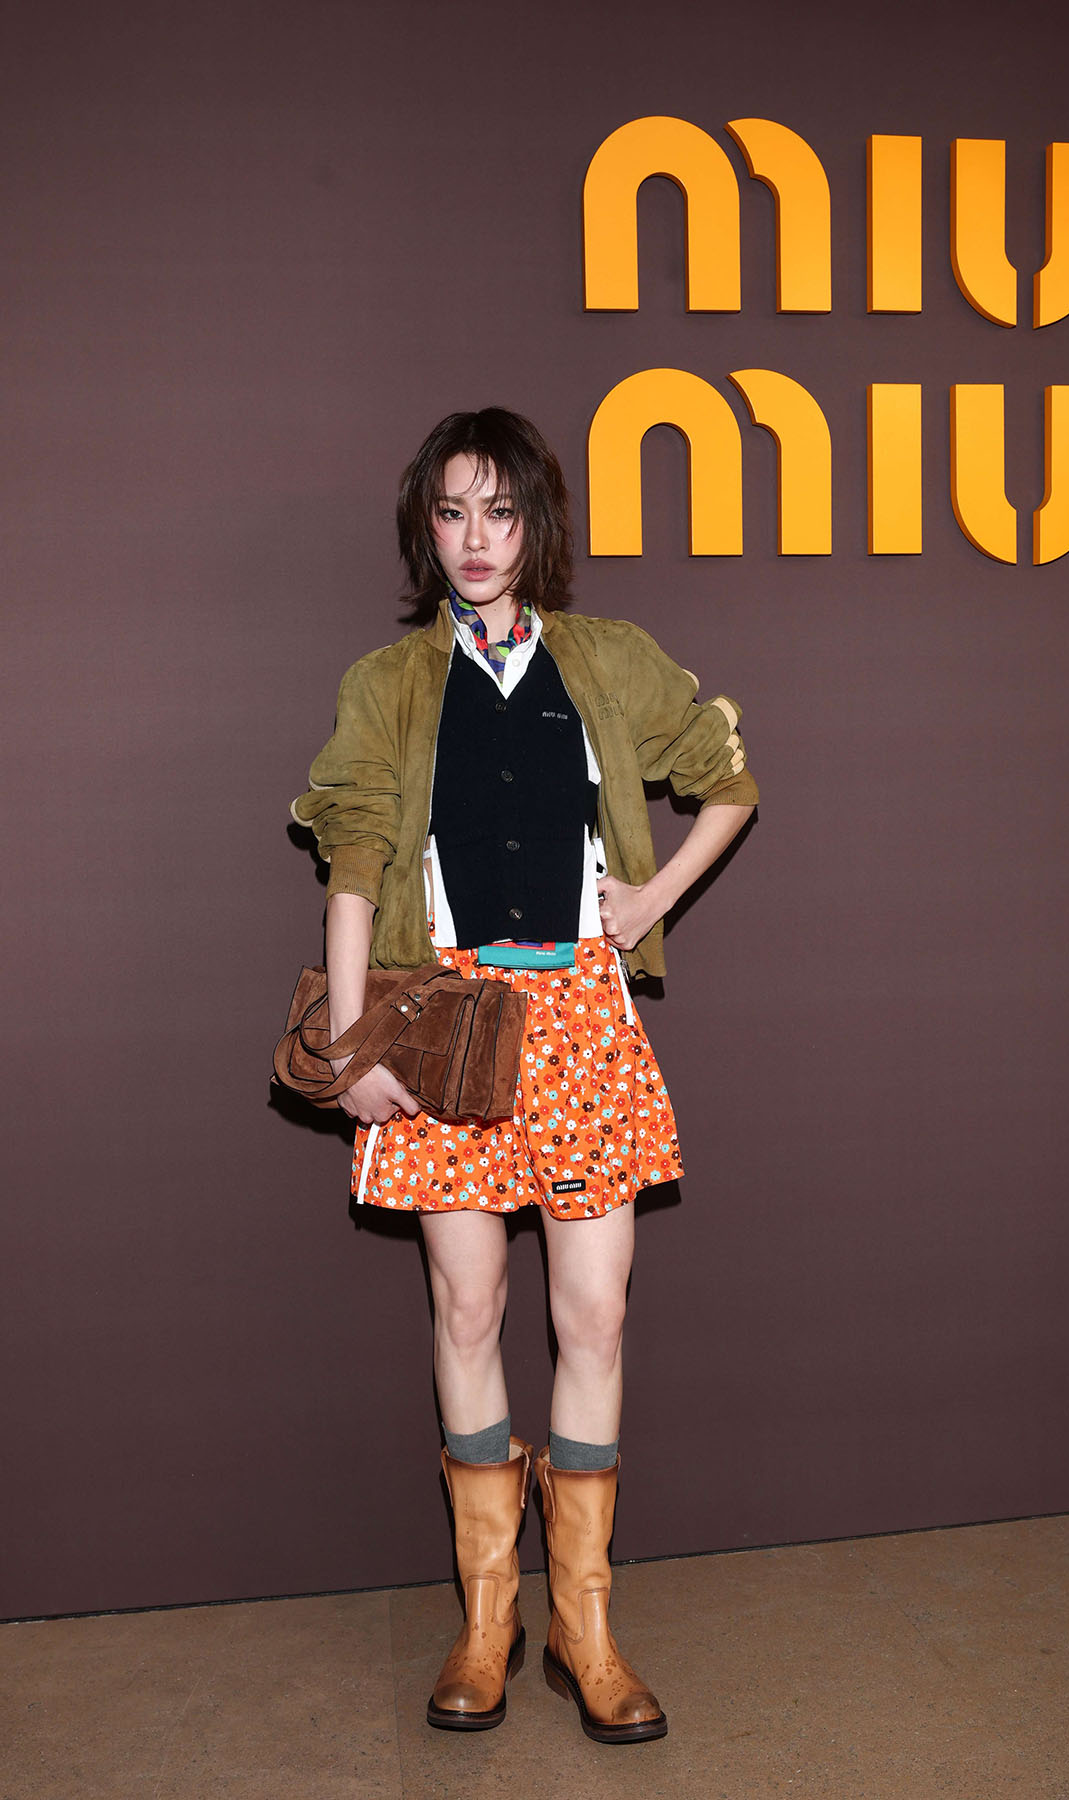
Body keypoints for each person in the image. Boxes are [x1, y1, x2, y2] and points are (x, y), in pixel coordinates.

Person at [291, 408, 757, 1744]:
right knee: (467, 1305)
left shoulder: (606, 660)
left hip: (582, 1022)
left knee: (594, 1317)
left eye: (499, 511)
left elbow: (727, 780)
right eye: (452, 512)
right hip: (451, 1026)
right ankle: (488, 1618)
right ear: (424, 530)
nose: (476, 538)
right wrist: (353, 1044)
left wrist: (650, 897)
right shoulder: (390, 683)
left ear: (536, 524)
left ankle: (584, 1624)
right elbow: (356, 861)